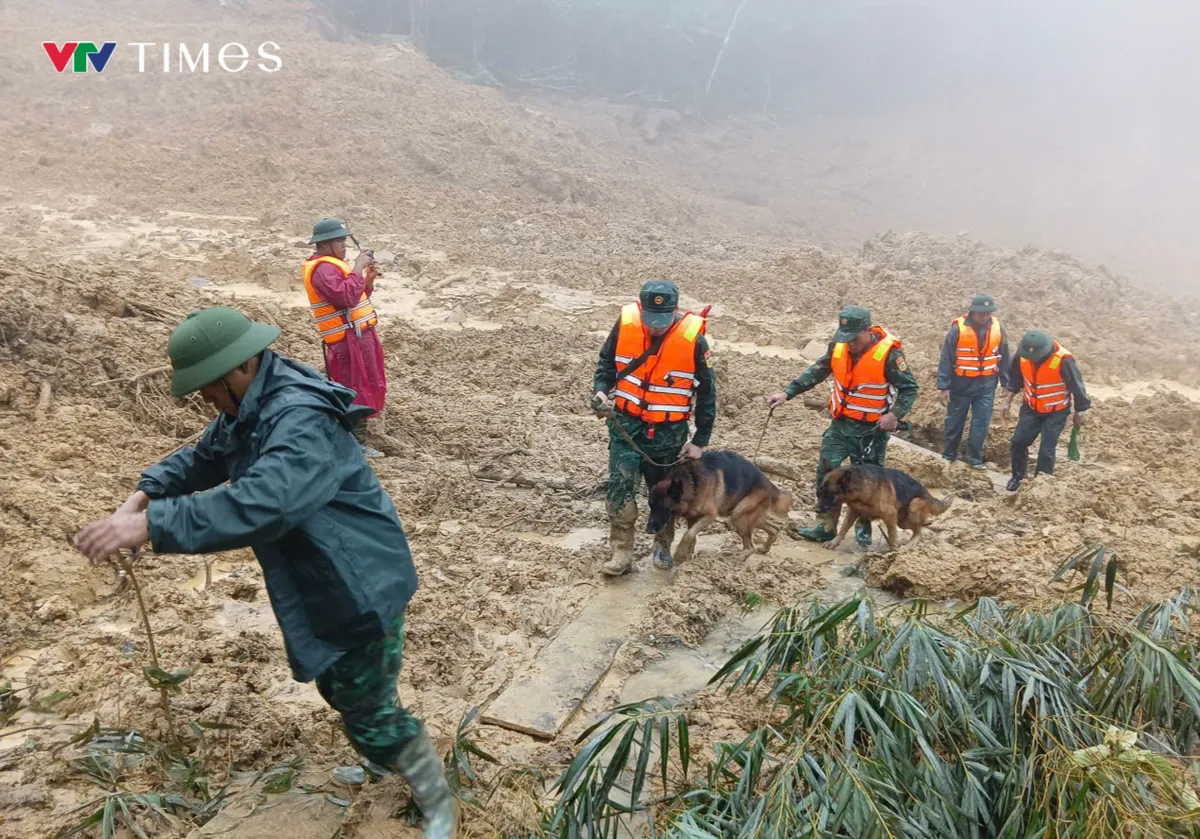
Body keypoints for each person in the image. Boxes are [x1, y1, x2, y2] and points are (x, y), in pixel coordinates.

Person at [72, 307, 454, 839]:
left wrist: (153, 526)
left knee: (364, 704)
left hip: (361, 578)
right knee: (339, 684)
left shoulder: (297, 416)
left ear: (242, 367)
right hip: (324, 573)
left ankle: (437, 795)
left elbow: (265, 503)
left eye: (208, 387)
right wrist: (141, 498)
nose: (205, 399)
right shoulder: (253, 402)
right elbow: (204, 457)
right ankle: (386, 750)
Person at [764, 306, 919, 548]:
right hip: (840, 425)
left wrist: (894, 415)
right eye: (846, 338)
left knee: (869, 481)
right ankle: (825, 524)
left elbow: (910, 388)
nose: (850, 344)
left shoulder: (889, 355)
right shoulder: (839, 347)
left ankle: (863, 526)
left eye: (855, 338)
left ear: (868, 331)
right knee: (827, 471)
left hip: (871, 432)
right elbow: (817, 371)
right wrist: (787, 393)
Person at [592, 280, 716, 575]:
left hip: (668, 434)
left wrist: (700, 439)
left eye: (661, 323)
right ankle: (622, 551)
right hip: (626, 426)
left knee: (666, 492)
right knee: (620, 488)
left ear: (674, 311)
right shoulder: (625, 326)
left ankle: (663, 545)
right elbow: (607, 365)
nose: (655, 328)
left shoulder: (694, 340)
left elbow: (707, 394)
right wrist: (600, 391)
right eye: (650, 321)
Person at [303, 217, 386, 458]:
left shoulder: (332, 266)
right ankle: (354, 445)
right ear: (326, 243)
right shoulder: (323, 269)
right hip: (348, 339)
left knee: (364, 384)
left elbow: (356, 296)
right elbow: (345, 298)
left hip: (358, 335)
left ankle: (353, 441)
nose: (345, 246)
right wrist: (358, 267)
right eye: (340, 241)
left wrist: (367, 278)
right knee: (354, 387)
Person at [1000, 330, 1091, 492]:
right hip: (1031, 408)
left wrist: (1079, 411)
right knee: (1018, 442)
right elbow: (1016, 379)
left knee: (1046, 450)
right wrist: (1007, 400)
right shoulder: (1023, 355)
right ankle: (1017, 477)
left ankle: (1041, 485)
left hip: (1056, 411)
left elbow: (1077, 387)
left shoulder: (1063, 360)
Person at [936, 294, 1012, 470]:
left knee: (981, 423)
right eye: (980, 313)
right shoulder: (958, 329)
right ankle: (949, 454)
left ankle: (974, 458)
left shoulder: (998, 328)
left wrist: (1006, 383)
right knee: (954, 421)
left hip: (986, 384)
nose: (984, 316)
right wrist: (944, 386)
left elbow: (1004, 356)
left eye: (987, 313)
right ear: (972, 311)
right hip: (961, 384)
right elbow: (946, 358)